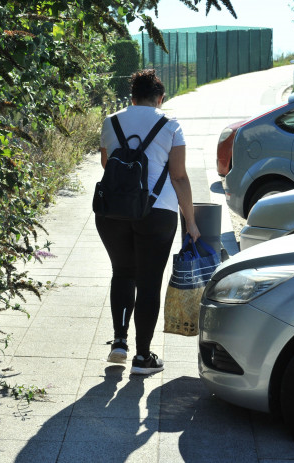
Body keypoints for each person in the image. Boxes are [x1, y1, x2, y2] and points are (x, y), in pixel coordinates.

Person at [96, 69, 201, 375]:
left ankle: (119, 342)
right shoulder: (170, 125)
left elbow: (107, 164)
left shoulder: (111, 121)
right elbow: (179, 176)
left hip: (112, 211)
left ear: (131, 97)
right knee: (149, 282)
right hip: (158, 211)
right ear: (160, 98)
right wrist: (191, 221)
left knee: (122, 273)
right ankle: (143, 358)